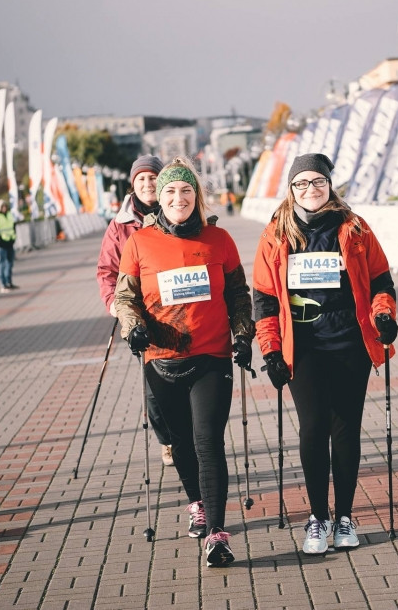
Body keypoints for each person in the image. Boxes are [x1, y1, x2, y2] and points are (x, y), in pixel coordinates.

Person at [252, 153, 398, 555]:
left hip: (350, 342)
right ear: (291, 189)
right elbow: (263, 300)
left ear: (330, 185)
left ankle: (345, 517)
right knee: (314, 428)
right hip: (304, 348)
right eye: (302, 183)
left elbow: (381, 280)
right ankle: (317, 518)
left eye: (318, 182)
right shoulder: (276, 234)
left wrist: (383, 316)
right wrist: (270, 350)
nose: (311, 190)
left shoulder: (354, 228)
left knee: (345, 429)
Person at [115, 156, 254, 568]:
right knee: (179, 445)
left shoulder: (220, 239)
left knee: (208, 440)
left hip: (211, 356)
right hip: (161, 360)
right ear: (159, 198)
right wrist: (132, 326)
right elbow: (125, 297)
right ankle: (196, 501)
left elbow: (239, 295)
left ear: (197, 196)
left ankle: (216, 534)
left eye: (186, 191)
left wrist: (243, 335)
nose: (179, 198)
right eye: (171, 192)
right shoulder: (139, 242)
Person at [96, 155, 174, 467]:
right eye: (141, 179)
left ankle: (192, 438)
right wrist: (114, 303)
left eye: (152, 178)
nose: (147, 184)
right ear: (133, 185)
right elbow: (106, 271)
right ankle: (167, 440)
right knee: (155, 390)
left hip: (177, 308)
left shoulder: (176, 212)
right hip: (141, 316)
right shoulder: (120, 226)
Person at [0, 198, 17, 292]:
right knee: (2, 264)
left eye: (5, 206)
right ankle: (3, 285)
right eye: (2, 206)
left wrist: (13, 238)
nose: (4, 208)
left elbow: (13, 227)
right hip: (1, 244)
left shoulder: (9, 215)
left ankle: (9, 282)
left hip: (10, 242)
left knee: (10, 263)